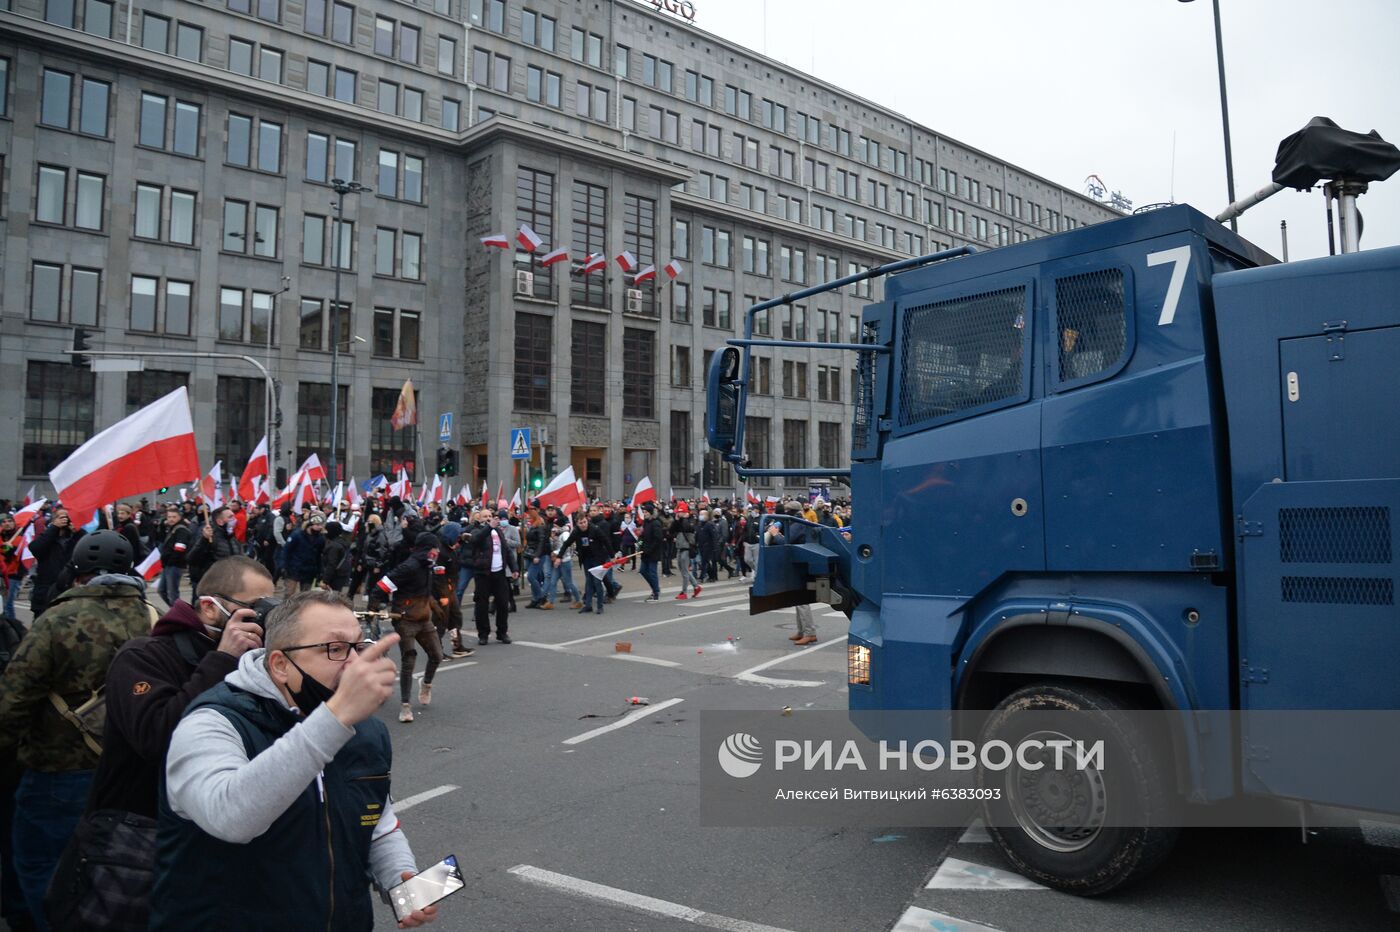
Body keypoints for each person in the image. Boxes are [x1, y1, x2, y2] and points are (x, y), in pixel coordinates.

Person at [149, 590, 437, 930]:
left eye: (359, 646)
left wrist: (402, 883)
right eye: (335, 648)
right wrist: (336, 716)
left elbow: (375, 822)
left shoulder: (364, 729)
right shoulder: (212, 723)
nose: (356, 663)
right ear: (281, 665)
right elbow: (229, 817)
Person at [51, 558, 271, 931]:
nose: (260, 622)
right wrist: (222, 659)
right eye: (253, 611)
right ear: (209, 608)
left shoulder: (252, 664)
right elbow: (158, 737)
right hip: (136, 838)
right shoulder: (143, 656)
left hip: (209, 840)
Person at [0, 531, 155, 930]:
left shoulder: (55, 620)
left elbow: (13, 699)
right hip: (129, 768)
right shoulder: (152, 617)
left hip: (58, 767)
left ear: (78, 573)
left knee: (41, 864)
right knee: (111, 865)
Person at [382, 533, 446, 723]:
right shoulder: (408, 567)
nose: (437, 552)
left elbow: (425, 593)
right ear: (427, 549)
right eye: (434, 549)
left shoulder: (427, 567)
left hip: (424, 620)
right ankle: (405, 706)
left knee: (437, 655)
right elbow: (384, 585)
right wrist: (375, 604)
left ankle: (426, 684)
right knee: (408, 662)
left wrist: (436, 608)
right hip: (406, 621)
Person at [766, 504, 817, 645]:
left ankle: (809, 632)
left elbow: (786, 542)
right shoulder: (796, 523)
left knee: (802, 600)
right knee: (798, 600)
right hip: (799, 564)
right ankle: (802, 631)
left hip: (802, 564)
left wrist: (776, 534)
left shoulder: (797, 524)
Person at [470, 510, 518, 644]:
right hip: (483, 573)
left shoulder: (498, 531)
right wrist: (488, 527)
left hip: (499, 573)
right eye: (485, 516)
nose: (489, 518)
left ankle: (502, 632)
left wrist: (514, 568)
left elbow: (507, 550)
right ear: (480, 519)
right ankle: (483, 634)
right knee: (482, 605)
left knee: (503, 603)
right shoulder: (477, 530)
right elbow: (475, 540)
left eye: (490, 516)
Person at [27, 507, 80, 620]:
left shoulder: (75, 539)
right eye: (61, 517)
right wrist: (54, 527)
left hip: (67, 592)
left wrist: (78, 531)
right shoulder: (48, 538)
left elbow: (85, 549)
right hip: (45, 592)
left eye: (67, 517)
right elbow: (35, 548)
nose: (64, 519)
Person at [559, 515, 614, 615]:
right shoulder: (576, 532)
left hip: (597, 558)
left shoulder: (595, 529)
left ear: (587, 521)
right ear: (577, 524)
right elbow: (566, 544)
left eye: (584, 522)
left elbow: (606, 541)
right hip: (586, 559)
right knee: (588, 582)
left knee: (597, 582)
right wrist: (559, 556)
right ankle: (588, 606)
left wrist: (612, 556)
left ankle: (600, 606)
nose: (583, 524)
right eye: (581, 523)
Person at [155, 506, 191, 607]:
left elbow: (180, 548)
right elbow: (161, 538)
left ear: (179, 517)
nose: (171, 519)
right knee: (162, 590)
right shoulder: (172, 528)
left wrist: (170, 560)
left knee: (172, 593)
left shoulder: (181, 530)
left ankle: (178, 613)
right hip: (168, 564)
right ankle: (175, 610)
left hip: (175, 565)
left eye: (174, 517)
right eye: (169, 517)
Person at [281, 513, 325, 594]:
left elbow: (319, 555)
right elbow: (286, 551)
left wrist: (319, 571)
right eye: (317, 525)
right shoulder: (297, 535)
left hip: (309, 571)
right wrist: (284, 566)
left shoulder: (320, 539)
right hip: (294, 568)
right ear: (310, 525)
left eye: (321, 525)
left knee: (305, 596)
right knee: (289, 593)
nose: (320, 527)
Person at [670, 502, 700, 600]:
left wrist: (683, 519)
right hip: (679, 547)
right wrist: (676, 520)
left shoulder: (689, 520)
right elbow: (671, 530)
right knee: (683, 570)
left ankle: (684, 592)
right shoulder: (680, 521)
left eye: (681, 512)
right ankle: (696, 586)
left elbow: (687, 528)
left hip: (687, 548)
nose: (679, 514)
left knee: (685, 572)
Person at [523, 512, 552, 610]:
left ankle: (540, 597)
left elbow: (541, 542)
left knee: (531, 577)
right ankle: (535, 599)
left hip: (538, 555)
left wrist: (537, 555)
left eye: (529, 517)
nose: (527, 519)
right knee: (532, 577)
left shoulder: (540, 527)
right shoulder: (532, 526)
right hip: (531, 554)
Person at [637, 505, 664, 602]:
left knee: (652, 573)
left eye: (646, 512)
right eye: (644, 512)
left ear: (651, 513)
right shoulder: (646, 523)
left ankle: (655, 592)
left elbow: (658, 539)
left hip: (653, 552)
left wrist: (650, 549)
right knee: (643, 571)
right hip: (645, 551)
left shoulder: (656, 523)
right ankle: (655, 587)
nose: (645, 514)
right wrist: (639, 544)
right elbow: (643, 536)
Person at [320, 521, 353, 594]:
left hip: (334, 577)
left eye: (326, 530)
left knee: (331, 598)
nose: (324, 532)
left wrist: (325, 581)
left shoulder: (334, 546)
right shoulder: (343, 542)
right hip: (341, 575)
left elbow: (331, 564)